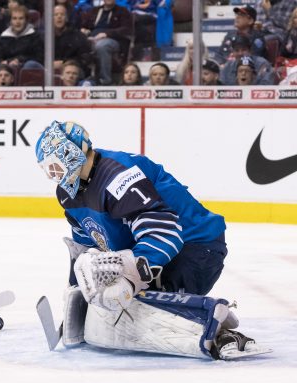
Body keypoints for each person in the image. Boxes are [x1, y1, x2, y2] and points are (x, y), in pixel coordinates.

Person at [34, 120, 269, 360]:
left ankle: (219, 327)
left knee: (142, 310)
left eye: (55, 163)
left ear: (73, 153)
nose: (53, 173)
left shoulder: (116, 175)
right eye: (48, 167)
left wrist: (129, 279)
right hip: (154, 250)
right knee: (117, 305)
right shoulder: (67, 194)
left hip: (196, 246)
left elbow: (163, 233)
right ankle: (200, 312)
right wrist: (80, 290)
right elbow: (86, 246)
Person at [80, 0, 133, 85]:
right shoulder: (94, 11)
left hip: (113, 40)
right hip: (92, 38)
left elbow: (126, 30)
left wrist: (106, 34)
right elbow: (84, 25)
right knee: (79, 43)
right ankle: (83, 78)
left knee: (102, 45)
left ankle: (105, 81)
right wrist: (84, 30)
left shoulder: (123, 11)